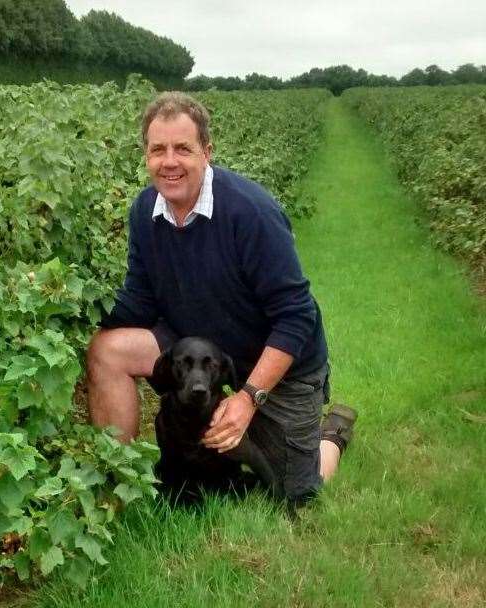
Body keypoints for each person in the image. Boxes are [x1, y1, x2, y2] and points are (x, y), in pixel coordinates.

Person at [86, 92, 356, 504]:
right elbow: (139, 302)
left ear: (207, 152)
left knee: (296, 494)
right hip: (204, 354)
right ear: (145, 155)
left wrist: (248, 397)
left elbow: (296, 316)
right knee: (108, 349)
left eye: (183, 149)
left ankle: (332, 433)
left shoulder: (250, 212)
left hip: (280, 368)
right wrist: (73, 311)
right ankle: (116, 488)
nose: (169, 161)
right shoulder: (145, 210)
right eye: (158, 149)